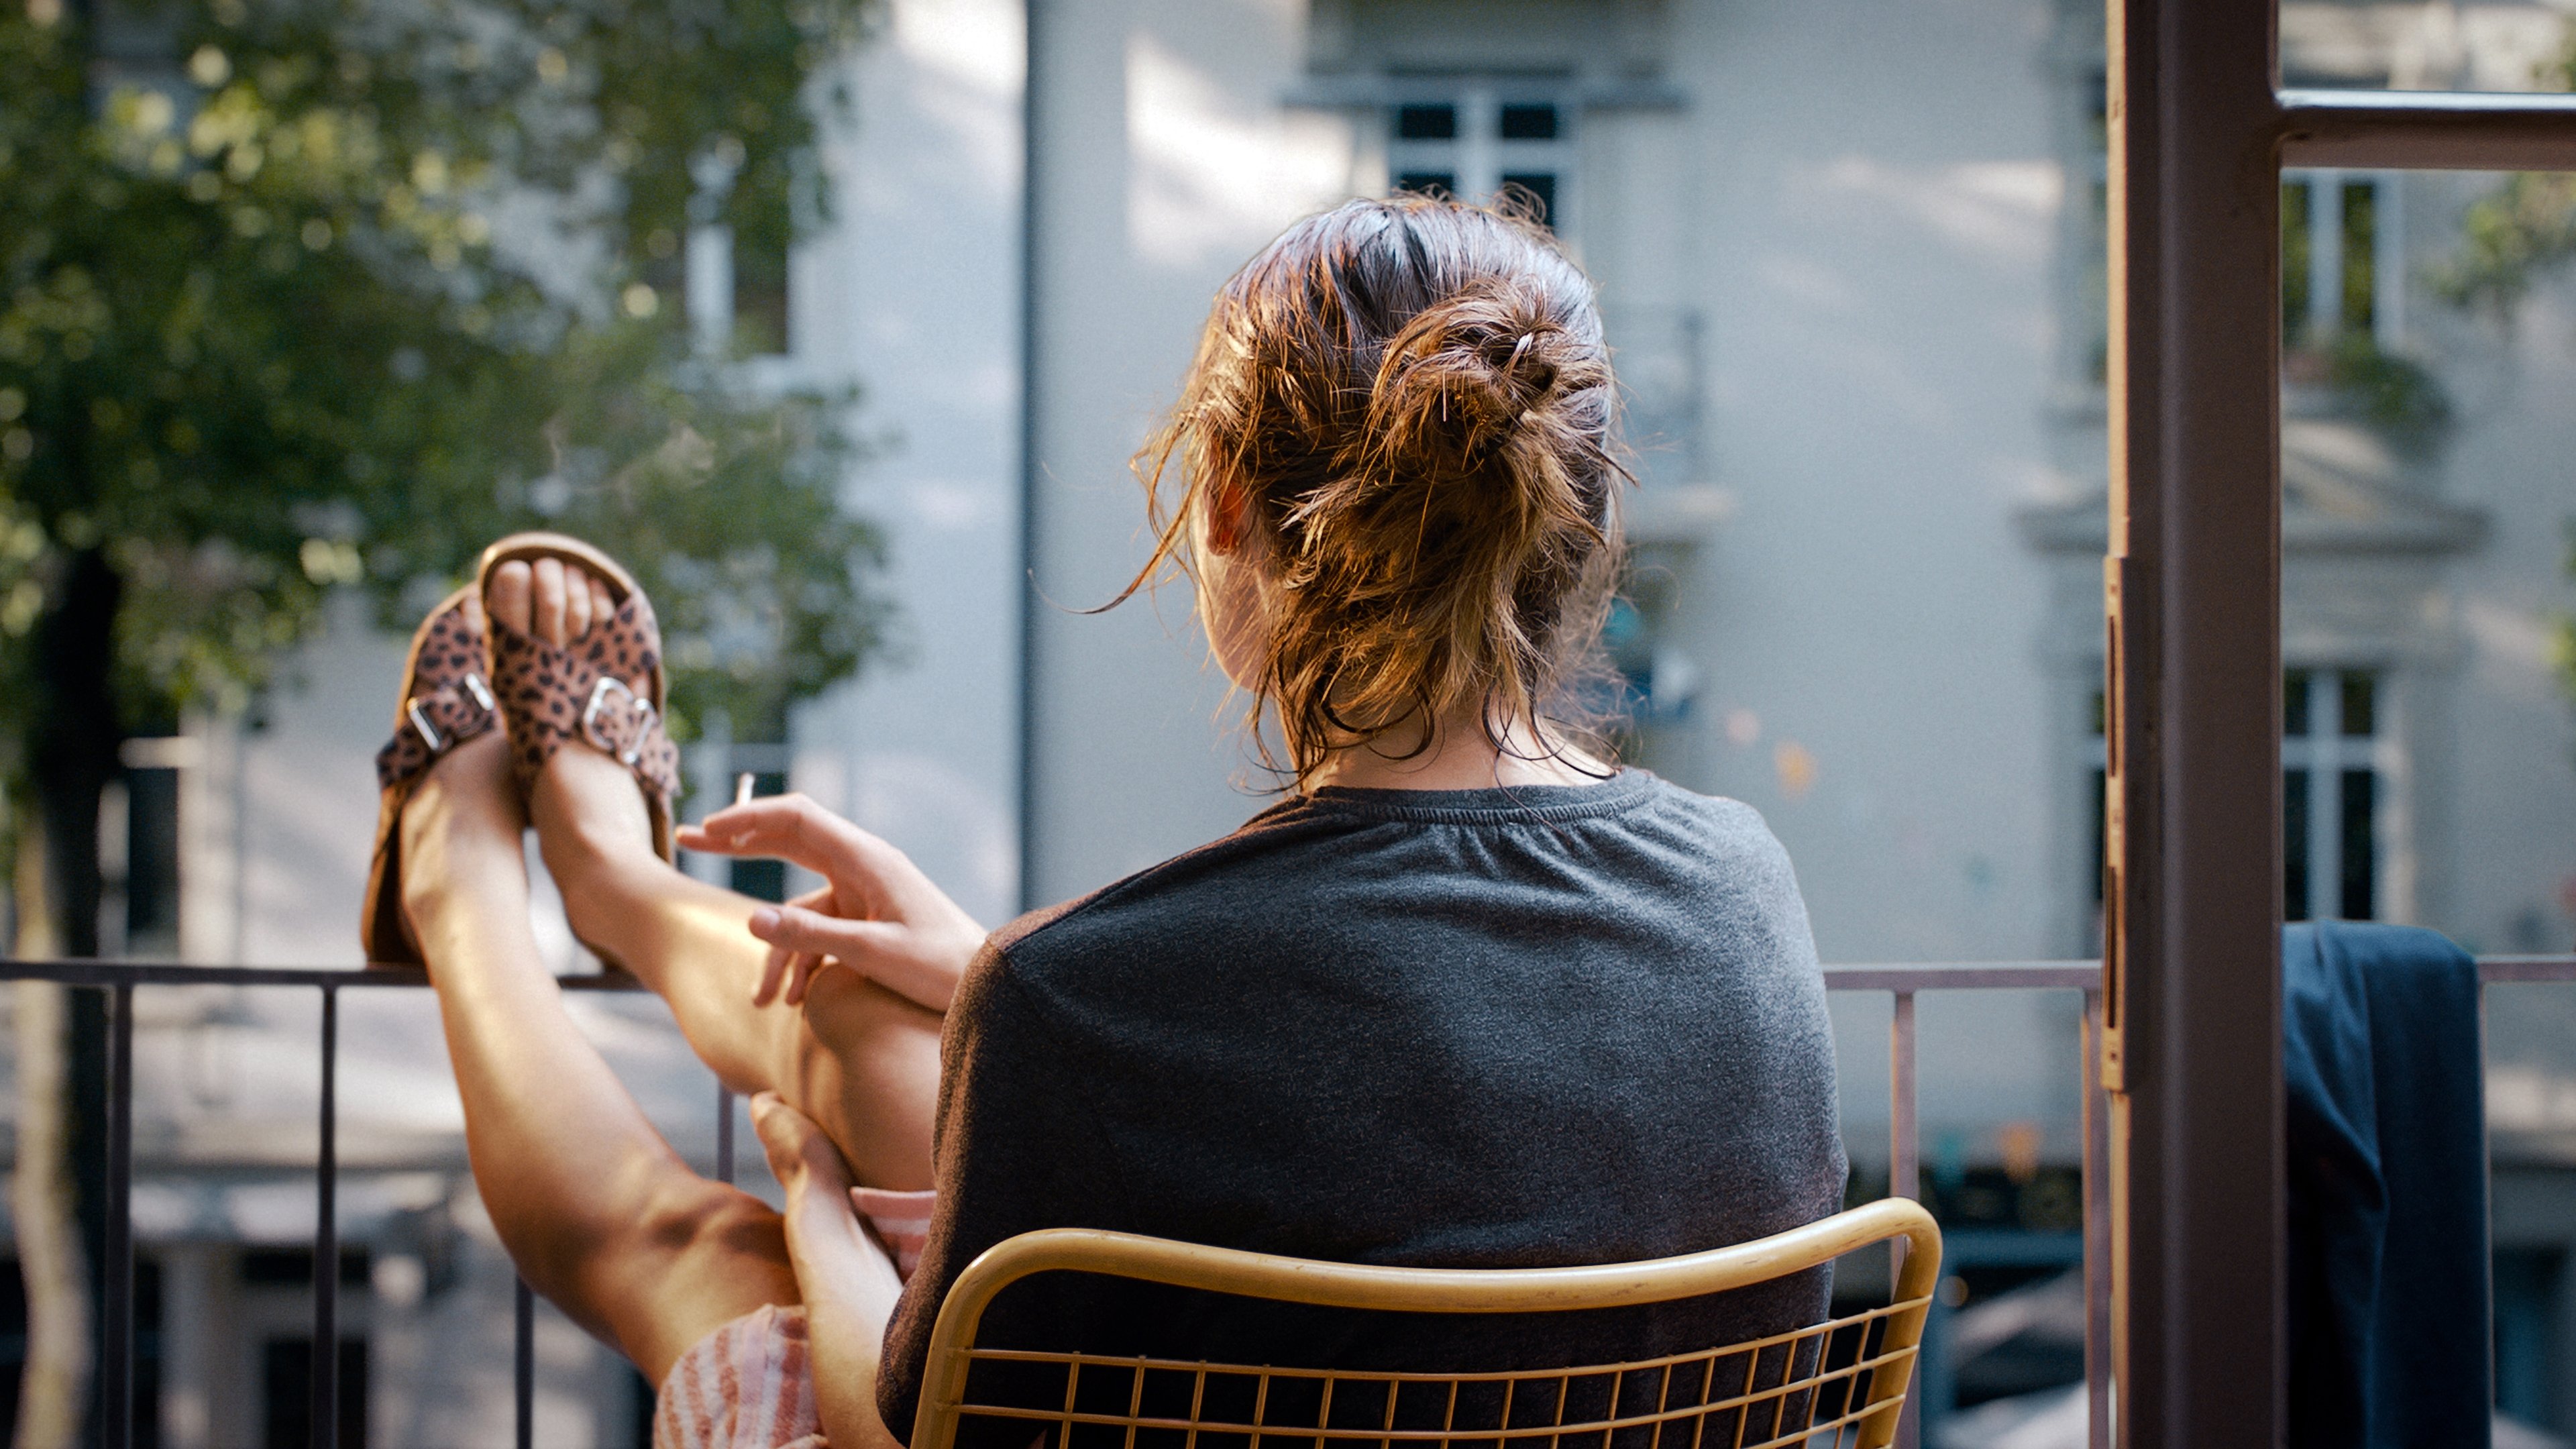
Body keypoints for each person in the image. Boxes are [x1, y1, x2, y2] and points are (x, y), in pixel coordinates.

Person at [368, 193, 1847, 1449]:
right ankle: (609, 881)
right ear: (1578, 533)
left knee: (698, 1249)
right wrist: (996, 978)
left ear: (1222, 512)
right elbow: (1444, 1063)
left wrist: (818, 1207)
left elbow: (905, 1431)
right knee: (856, 1030)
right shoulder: (1744, 888)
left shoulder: (1087, 994)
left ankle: (466, 868)